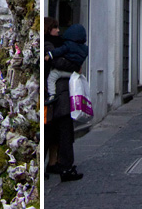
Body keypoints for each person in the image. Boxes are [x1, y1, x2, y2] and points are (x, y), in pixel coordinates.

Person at [43, 17, 84, 181]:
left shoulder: (59, 43)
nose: (58, 30)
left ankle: (55, 164)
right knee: (62, 131)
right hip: (58, 96)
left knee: (54, 132)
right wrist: (74, 66)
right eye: (55, 27)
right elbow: (58, 62)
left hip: (60, 95)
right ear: (48, 29)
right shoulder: (48, 44)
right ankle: (65, 168)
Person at [45, 24, 88, 104]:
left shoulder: (68, 45)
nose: (58, 30)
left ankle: (52, 95)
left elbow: (59, 51)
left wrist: (50, 55)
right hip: (75, 72)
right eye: (56, 27)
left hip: (64, 70)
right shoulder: (85, 48)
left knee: (52, 75)